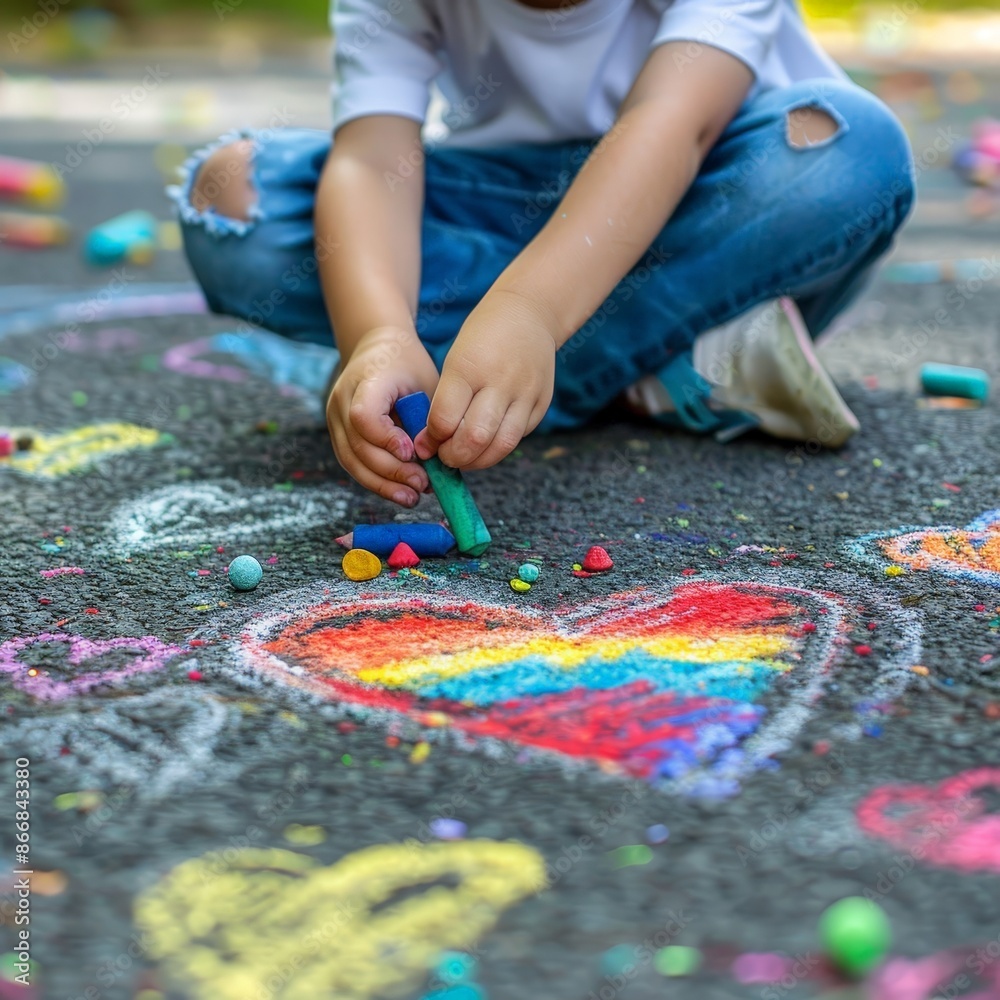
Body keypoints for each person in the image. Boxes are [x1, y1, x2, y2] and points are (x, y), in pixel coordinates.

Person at [170, 0, 915, 508]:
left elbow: (671, 123)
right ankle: (648, 371)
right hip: (507, 207)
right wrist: (376, 332)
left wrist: (530, 309)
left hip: (704, 206)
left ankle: (521, 373)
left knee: (850, 149)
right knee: (232, 194)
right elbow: (371, 158)